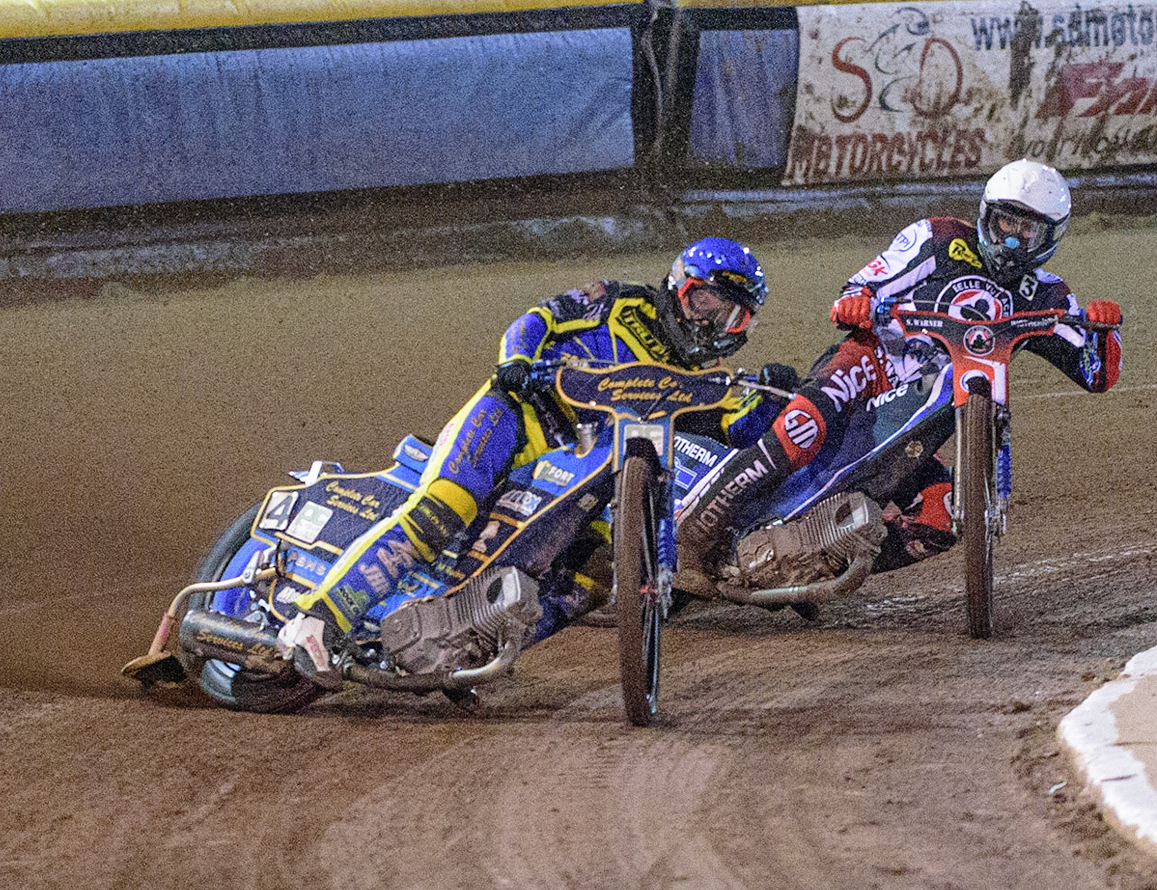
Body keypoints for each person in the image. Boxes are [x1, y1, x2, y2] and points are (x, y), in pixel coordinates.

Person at [282, 237, 783, 679]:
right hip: (518, 416)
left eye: (730, 315)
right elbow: (538, 318)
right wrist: (516, 363)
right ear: (678, 287)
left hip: (582, 476)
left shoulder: (709, 382)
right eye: (705, 302)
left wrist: (775, 396)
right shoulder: (619, 300)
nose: (709, 323)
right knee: (443, 508)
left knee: (593, 575)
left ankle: (469, 644)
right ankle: (318, 619)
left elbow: (737, 429)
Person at [675, 159, 1123, 591]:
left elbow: (1097, 373)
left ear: (1051, 236)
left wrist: (1105, 330)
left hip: (926, 418)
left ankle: (820, 559)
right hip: (870, 365)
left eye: (1029, 231)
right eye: (1007, 222)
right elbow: (863, 285)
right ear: (988, 214)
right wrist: (858, 301)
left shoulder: (1047, 294)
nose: (1013, 239)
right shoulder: (937, 239)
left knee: (943, 516)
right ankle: (695, 532)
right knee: (800, 430)